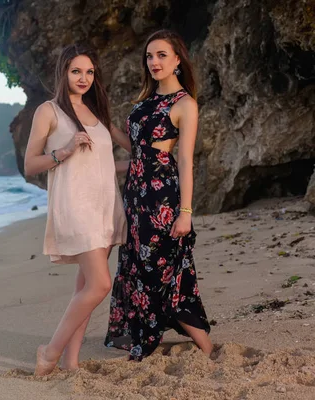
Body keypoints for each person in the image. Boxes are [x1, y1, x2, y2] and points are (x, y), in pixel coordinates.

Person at [104, 29, 213, 361]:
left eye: (161, 55)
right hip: (135, 198)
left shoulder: (185, 105)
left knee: (161, 271)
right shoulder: (144, 100)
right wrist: (106, 128)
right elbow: (137, 151)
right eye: (149, 56)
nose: (154, 62)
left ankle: (205, 346)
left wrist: (186, 212)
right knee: (136, 268)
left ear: (177, 59)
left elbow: (184, 160)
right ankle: (143, 339)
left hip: (162, 200)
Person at [24, 43, 130, 376]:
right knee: (100, 284)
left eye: (89, 72)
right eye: (76, 71)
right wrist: (65, 151)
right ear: (64, 72)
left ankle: (71, 361)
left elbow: (111, 158)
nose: (83, 78)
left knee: (85, 286)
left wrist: (148, 155)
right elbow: (30, 165)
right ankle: (49, 352)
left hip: (104, 205)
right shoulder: (49, 111)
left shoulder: (98, 112)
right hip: (75, 206)